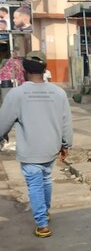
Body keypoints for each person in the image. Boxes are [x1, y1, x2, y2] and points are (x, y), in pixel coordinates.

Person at [0, 51, 73, 238]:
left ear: (24, 69)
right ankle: (45, 211)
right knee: (46, 179)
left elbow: (4, 120)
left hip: (30, 149)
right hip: (51, 148)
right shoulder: (58, 92)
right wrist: (66, 144)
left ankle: (42, 224)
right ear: (45, 68)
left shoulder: (16, 94)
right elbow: (66, 122)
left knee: (34, 184)